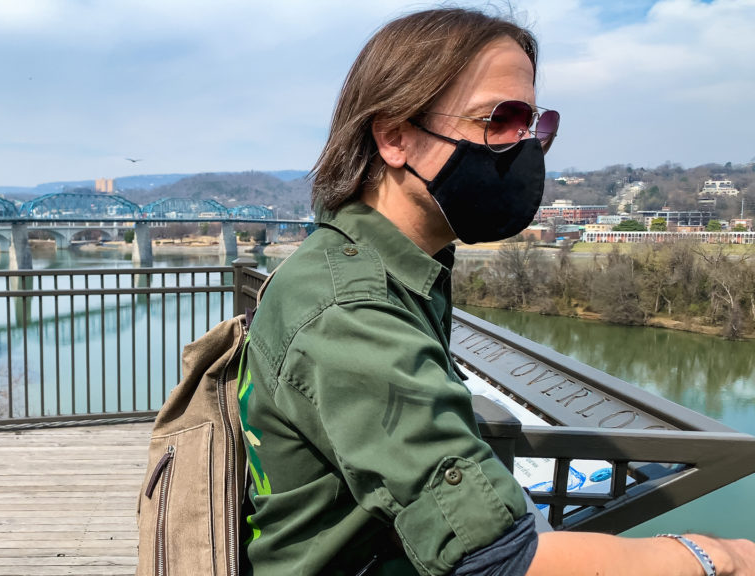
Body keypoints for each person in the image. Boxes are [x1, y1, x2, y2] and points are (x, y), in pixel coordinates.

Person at [236, 7, 755, 576]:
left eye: (535, 122)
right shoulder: (351, 309)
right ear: (394, 136)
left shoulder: (387, 272)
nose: (525, 144)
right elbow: (500, 563)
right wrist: (718, 557)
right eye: (499, 119)